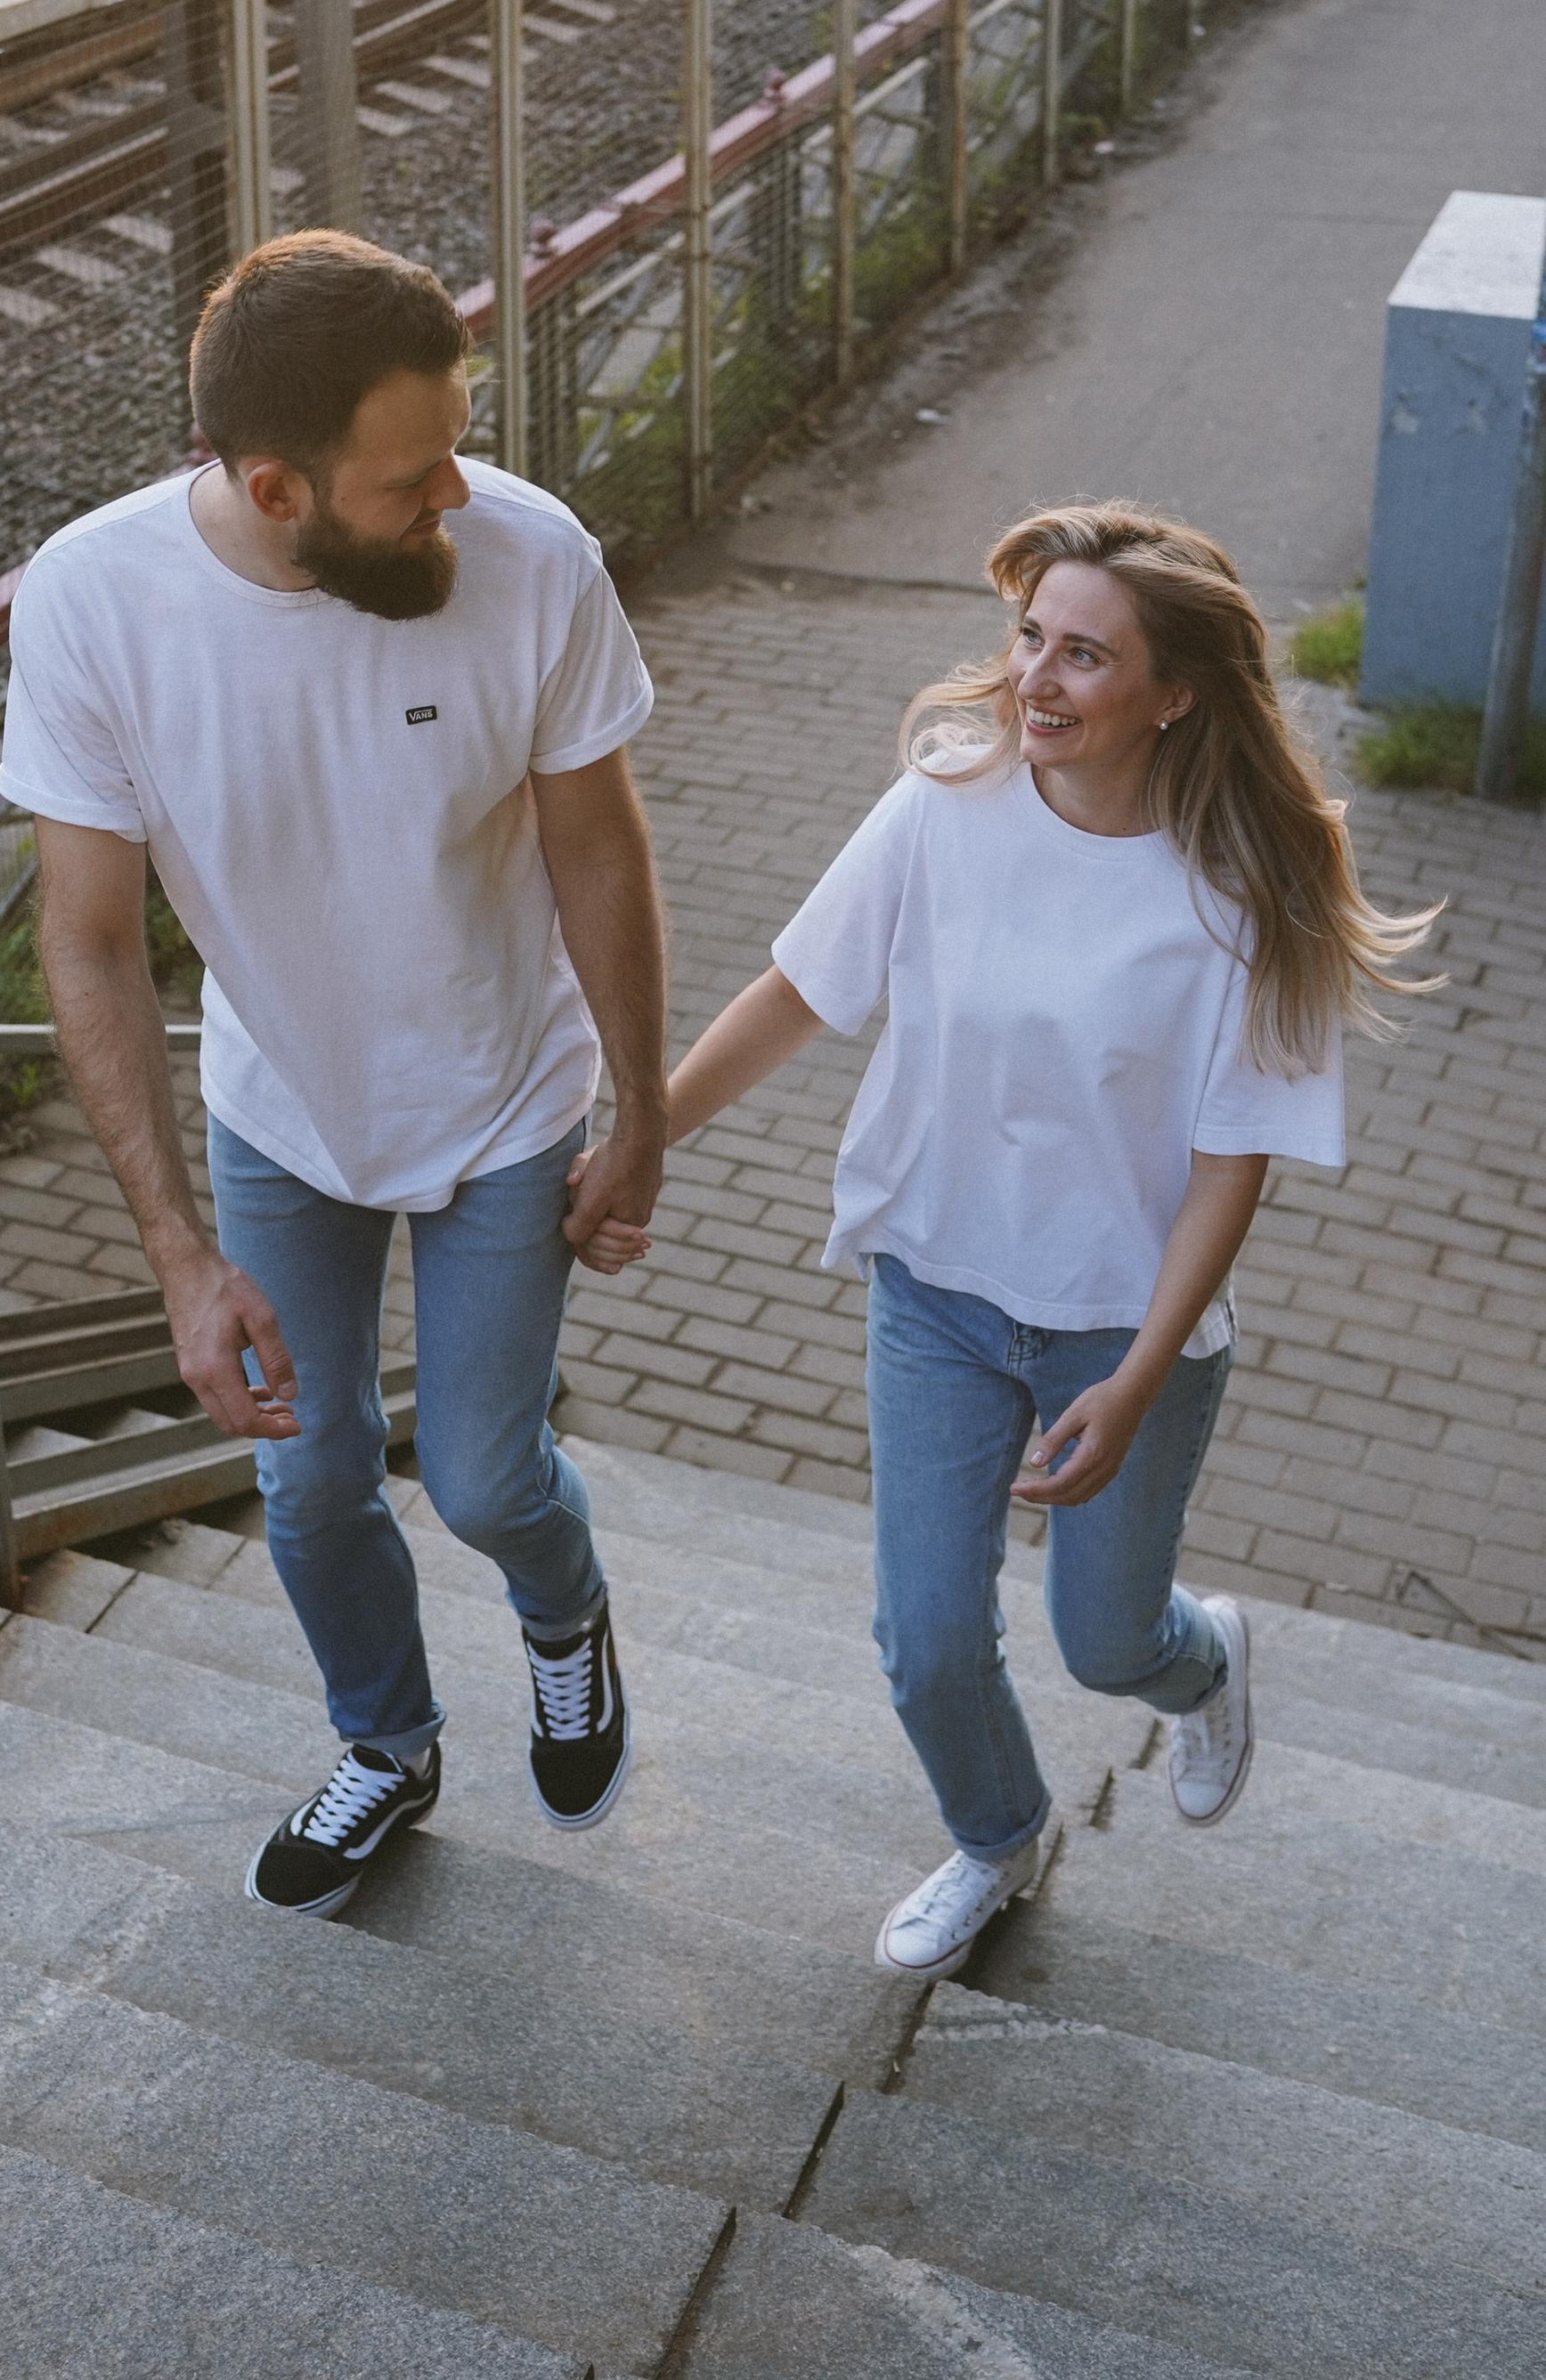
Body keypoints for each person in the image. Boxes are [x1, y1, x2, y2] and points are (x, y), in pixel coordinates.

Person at [611, 501, 1436, 1984]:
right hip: (936, 1289)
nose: (1036, 681)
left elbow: (1228, 1167)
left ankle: (1207, 1658)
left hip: (1126, 1327)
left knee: (1105, 1643)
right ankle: (999, 1838)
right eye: (1031, 639)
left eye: (1086, 657)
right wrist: (643, 1142)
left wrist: (1135, 1374)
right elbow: (802, 990)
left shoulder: (1244, 897)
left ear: (1174, 694)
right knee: (924, 1636)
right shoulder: (947, 799)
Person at [0, 230, 667, 1917]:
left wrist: (645, 1115)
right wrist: (178, 1259)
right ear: (277, 484)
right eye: (409, 474)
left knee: (492, 1473)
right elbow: (85, 942)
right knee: (307, 1481)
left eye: (457, 440)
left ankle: (563, 1617)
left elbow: (598, 850)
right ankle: (389, 1741)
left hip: (510, 1093)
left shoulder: (533, 559)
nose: (457, 489)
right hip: (280, 1112)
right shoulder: (97, 599)